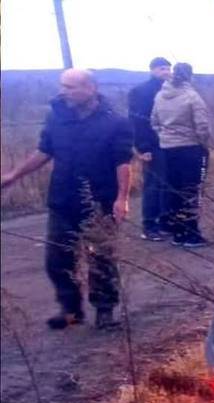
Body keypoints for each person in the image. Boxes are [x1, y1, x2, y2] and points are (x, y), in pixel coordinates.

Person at [1, 69, 133, 330]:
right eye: (63, 86)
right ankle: (71, 309)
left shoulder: (115, 123)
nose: (64, 91)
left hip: (100, 201)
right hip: (62, 200)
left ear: (91, 88)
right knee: (57, 259)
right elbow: (44, 151)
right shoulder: (57, 117)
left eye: (71, 87)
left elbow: (123, 163)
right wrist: (14, 174)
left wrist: (122, 198)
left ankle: (105, 310)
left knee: (101, 258)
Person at [151, 62, 211, 248]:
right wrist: (203, 142)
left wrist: (164, 136)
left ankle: (177, 231)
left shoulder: (160, 96)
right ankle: (191, 233)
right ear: (190, 76)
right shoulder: (192, 96)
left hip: (168, 149)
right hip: (191, 149)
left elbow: (153, 121)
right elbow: (202, 125)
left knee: (174, 190)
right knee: (192, 190)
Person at [128, 56, 171, 241]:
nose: (166, 72)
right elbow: (137, 121)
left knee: (168, 185)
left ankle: (164, 223)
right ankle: (149, 226)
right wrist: (143, 147)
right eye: (162, 69)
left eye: (168, 68)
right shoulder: (142, 92)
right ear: (152, 70)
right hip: (152, 144)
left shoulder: (170, 90)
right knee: (153, 185)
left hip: (170, 144)